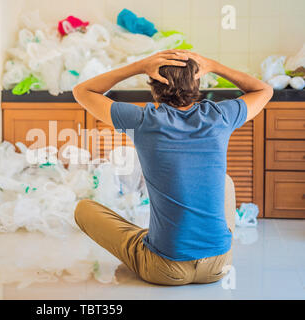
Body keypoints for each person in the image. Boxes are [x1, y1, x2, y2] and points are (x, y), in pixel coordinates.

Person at [72, 50, 273, 285]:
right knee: (225, 181)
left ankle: (163, 240)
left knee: (84, 209)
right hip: (219, 265)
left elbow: (82, 91)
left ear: (153, 86)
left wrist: (138, 66)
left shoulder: (142, 120)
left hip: (164, 268)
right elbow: (264, 90)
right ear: (197, 82)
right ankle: (188, 242)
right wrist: (215, 66)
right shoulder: (220, 116)